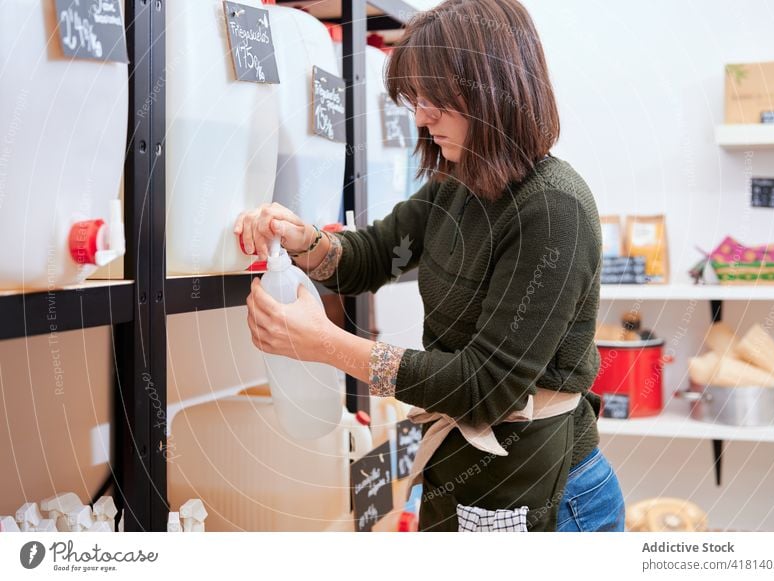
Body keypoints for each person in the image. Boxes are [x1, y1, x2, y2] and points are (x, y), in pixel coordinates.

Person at [235, 0, 624, 532]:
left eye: (436, 98)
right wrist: (303, 239)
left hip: (549, 491)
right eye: (416, 98)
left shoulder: (554, 210)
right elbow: (370, 258)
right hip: (466, 477)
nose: (420, 116)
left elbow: (485, 387)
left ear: (495, 88)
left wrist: (323, 344)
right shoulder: (456, 186)